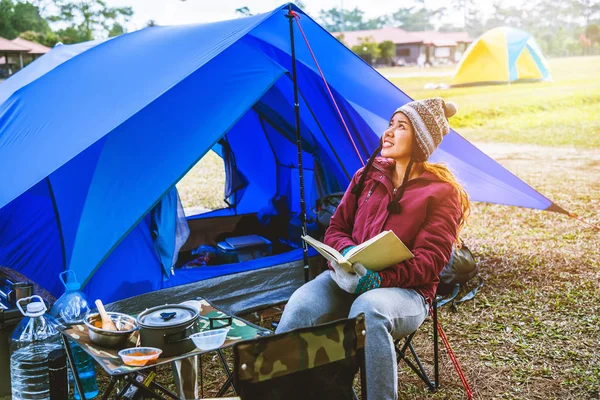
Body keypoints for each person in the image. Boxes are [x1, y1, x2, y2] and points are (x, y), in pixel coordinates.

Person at [275, 98, 470, 399]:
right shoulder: (366, 175)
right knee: (301, 305)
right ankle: (277, 392)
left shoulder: (442, 193)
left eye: (401, 127)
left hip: (406, 292)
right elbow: (336, 229)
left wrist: (379, 279)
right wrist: (348, 255)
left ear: (420, 139)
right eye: (390, 124)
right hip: (349, 279)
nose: (388, 133)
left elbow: (430, 262)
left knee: (369, 310)